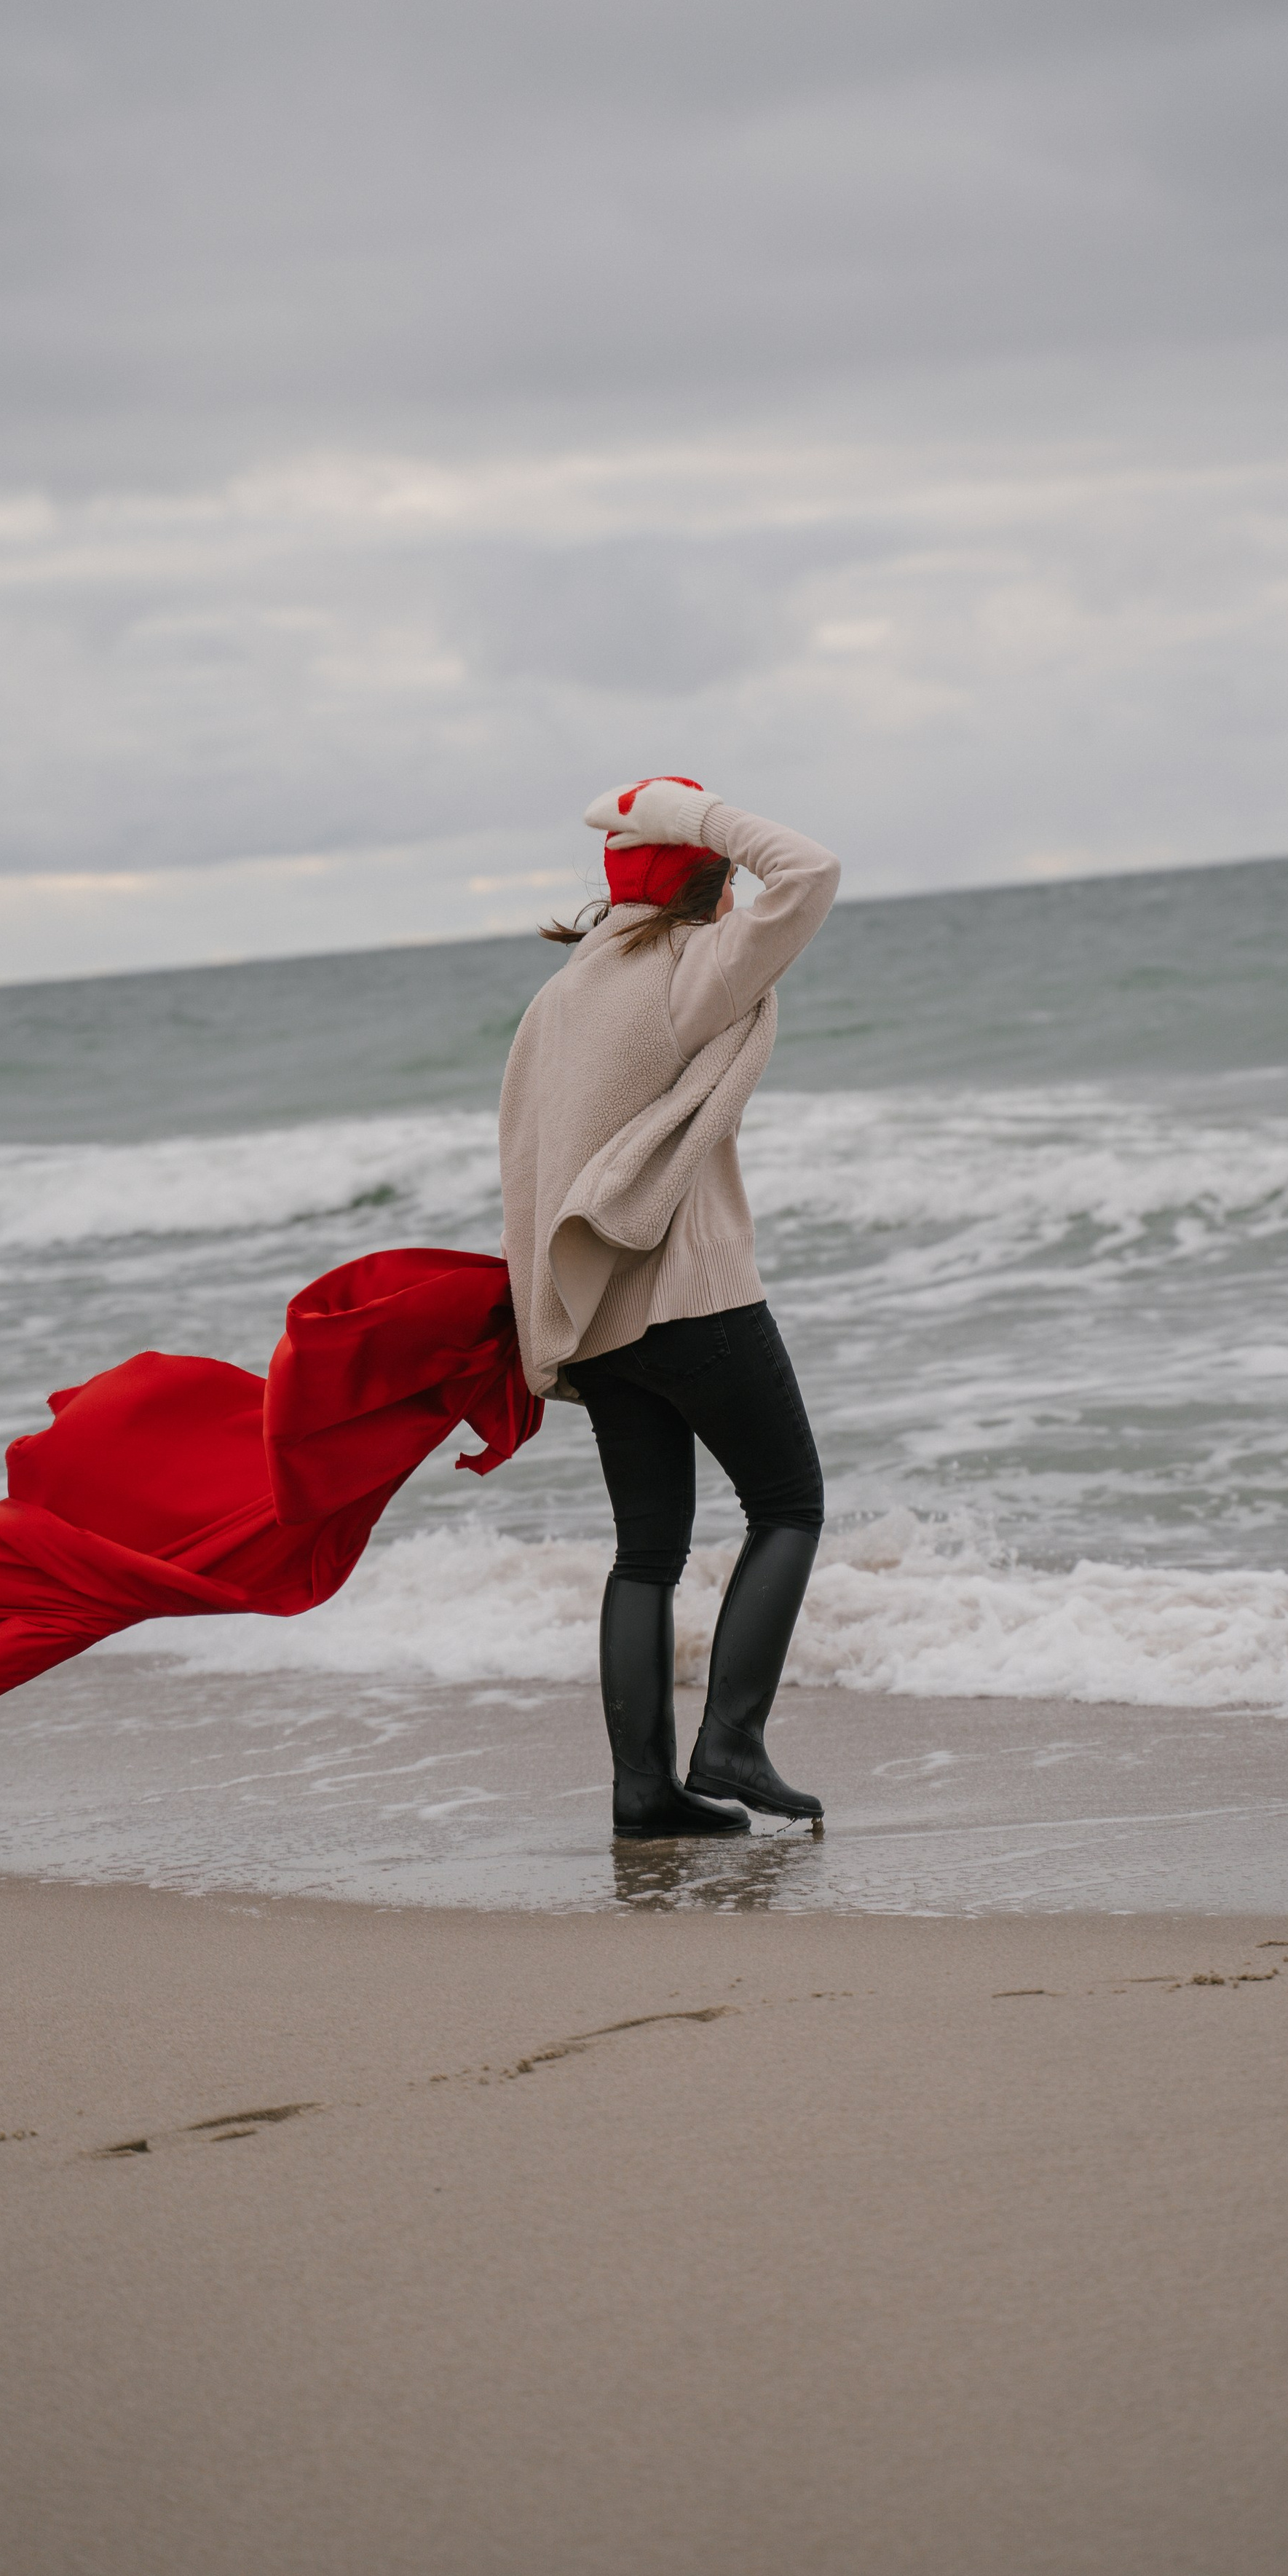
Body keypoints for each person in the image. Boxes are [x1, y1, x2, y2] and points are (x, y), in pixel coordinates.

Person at [499, 776, 840, 1839]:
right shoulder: (691, 972)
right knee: (789, 1505)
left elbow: (523, 1164)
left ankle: (644, 1793)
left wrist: (545, 1323)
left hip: (592, 1312)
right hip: (690, 1296)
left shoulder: (560, 998)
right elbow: (813, 872)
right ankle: (731, 1740)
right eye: (721, 866)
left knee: (646, 1552)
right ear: (706, 870)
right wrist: (688, 807)